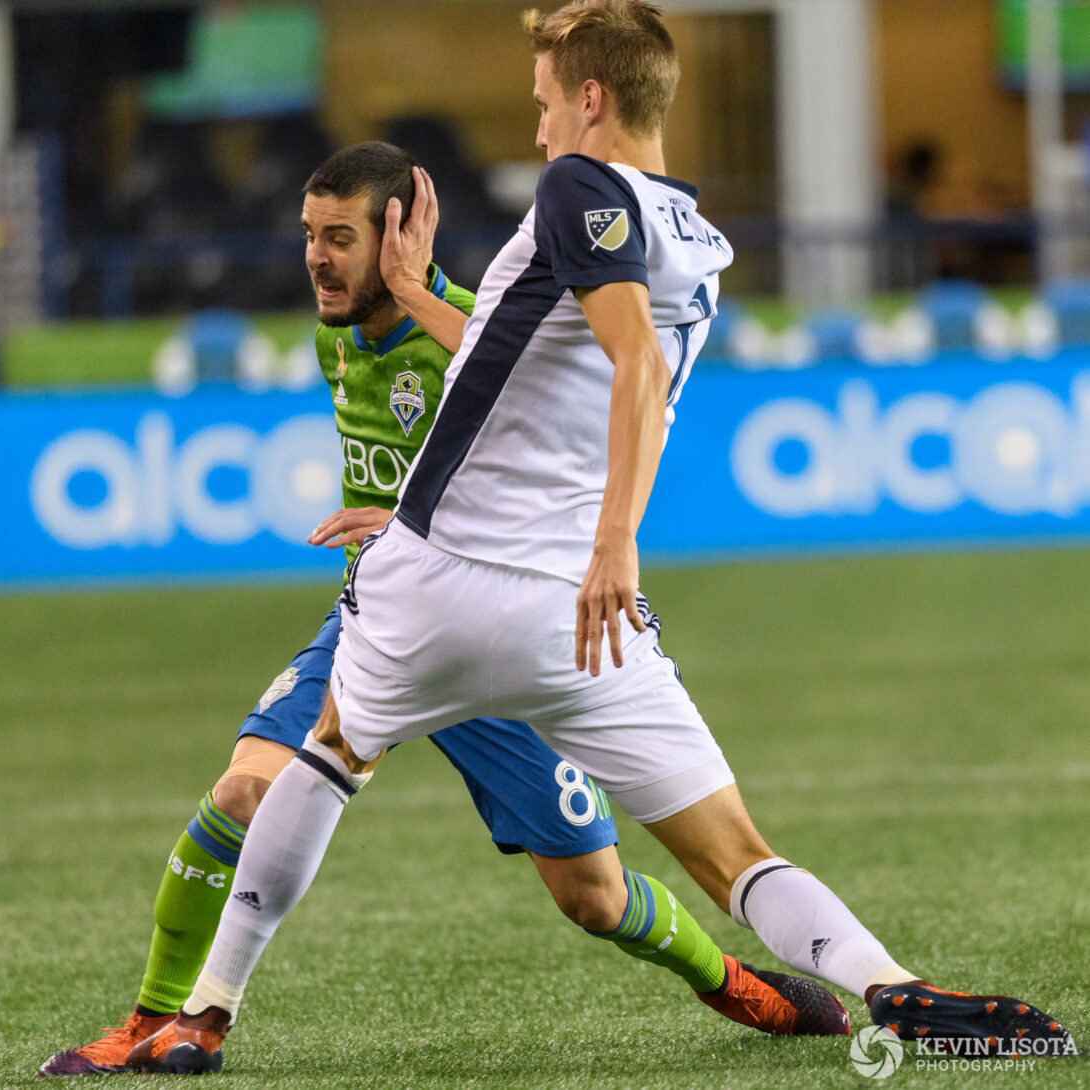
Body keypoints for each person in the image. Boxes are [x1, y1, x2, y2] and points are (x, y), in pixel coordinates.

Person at [130, 2, 1073, 1073]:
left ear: (592, 100)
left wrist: (616, 537)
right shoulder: (697, 240)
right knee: (736, 856)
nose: (535, 133)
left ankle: (205, 1012)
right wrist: (418, 302)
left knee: (327, 755)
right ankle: (892, 987)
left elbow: (622, 358)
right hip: (577, 616)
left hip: (447, 581)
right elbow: (537, 354)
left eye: (542, 105)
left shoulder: (580, 186)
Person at [40, 140, 846, 1078]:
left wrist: (414, 520)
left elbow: (572, 452)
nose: (315, 258)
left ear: (396, 234)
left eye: (338, 237)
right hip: (382, 627)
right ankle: (154, 1022)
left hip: (504, 625)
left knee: (591, 896)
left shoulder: (479, 330)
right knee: (244, 790)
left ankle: (732, 982)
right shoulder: (333, 333)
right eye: (308, 235)